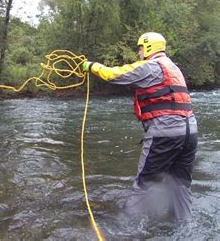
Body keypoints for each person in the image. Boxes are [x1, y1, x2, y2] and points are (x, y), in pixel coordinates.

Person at [82, 32, 197, 220]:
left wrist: (91, 66)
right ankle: (184, 225)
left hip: (165, 132)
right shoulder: (173, 67)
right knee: (181, 184)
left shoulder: (150, 66)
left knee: (144, 185)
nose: (139, 52)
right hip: (190, 132)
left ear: (148, 47)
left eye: (140, 48)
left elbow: (113, 75)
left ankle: (126, 230)